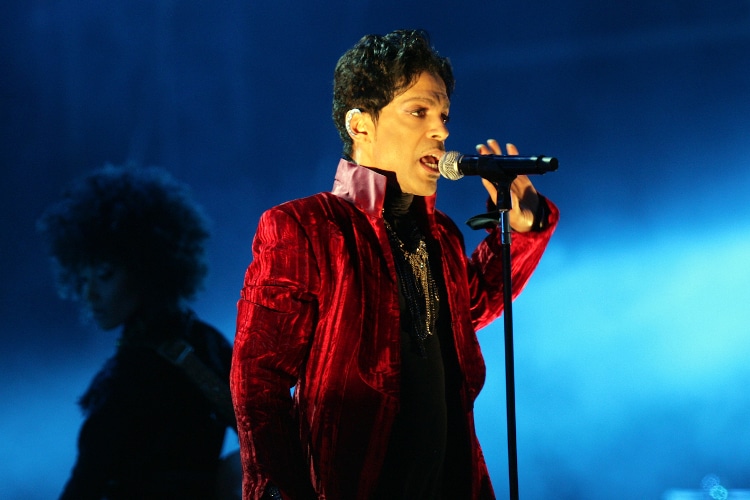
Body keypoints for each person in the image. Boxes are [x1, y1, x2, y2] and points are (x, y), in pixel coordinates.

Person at [230, 29, 559, 500]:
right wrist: (280, 491)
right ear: (361, 125)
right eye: (419, 111)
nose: (442, 130)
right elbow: (258, 380)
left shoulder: (440, 234)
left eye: (443, 115)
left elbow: (470, 308)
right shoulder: (308, 227)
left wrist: (523, 232)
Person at [37, 164, 235, 499]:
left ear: (144, 268)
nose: (90, 294)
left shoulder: (126, 378)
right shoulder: (207, 343)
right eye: (84, 279)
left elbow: (85, 486)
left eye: (105, 275)